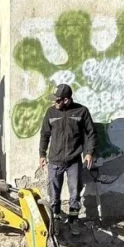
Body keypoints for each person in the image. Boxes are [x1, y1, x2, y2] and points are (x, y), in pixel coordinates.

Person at [38, 84, 96, 235]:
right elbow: (44, 134)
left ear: (67, 99)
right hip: (55, 161)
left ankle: (73, 221)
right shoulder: (50, 113)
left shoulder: (81, 111)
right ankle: (55, 220)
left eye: (57, 100)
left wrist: (89, 152)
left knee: (75, 193)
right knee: (54, 194)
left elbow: (91, 133)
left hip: (73, 161)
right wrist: (42, 154)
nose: (54, 103)